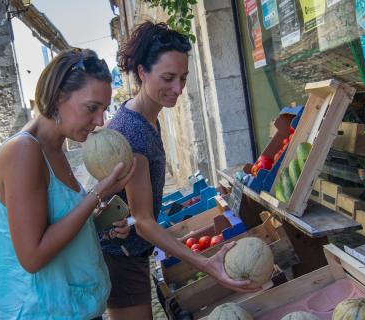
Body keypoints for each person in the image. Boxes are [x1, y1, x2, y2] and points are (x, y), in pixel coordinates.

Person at [102, 22, 258, 319]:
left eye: (183, 78)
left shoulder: (147, 117)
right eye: (169, 78)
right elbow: (145, 221)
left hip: (130, 251)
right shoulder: (132, 134)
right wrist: (206, 264)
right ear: (142, 72)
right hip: (120, 257)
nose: (178, 88)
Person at [0, 48, 136, 320]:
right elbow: (33, 256)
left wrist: (101, 227)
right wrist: (97, 193)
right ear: (57, 98)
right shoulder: (23, 151)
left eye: (103, 109)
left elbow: (56, 225)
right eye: (91, 108)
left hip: (74, 308)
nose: (100, 121)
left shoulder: (55, 147)